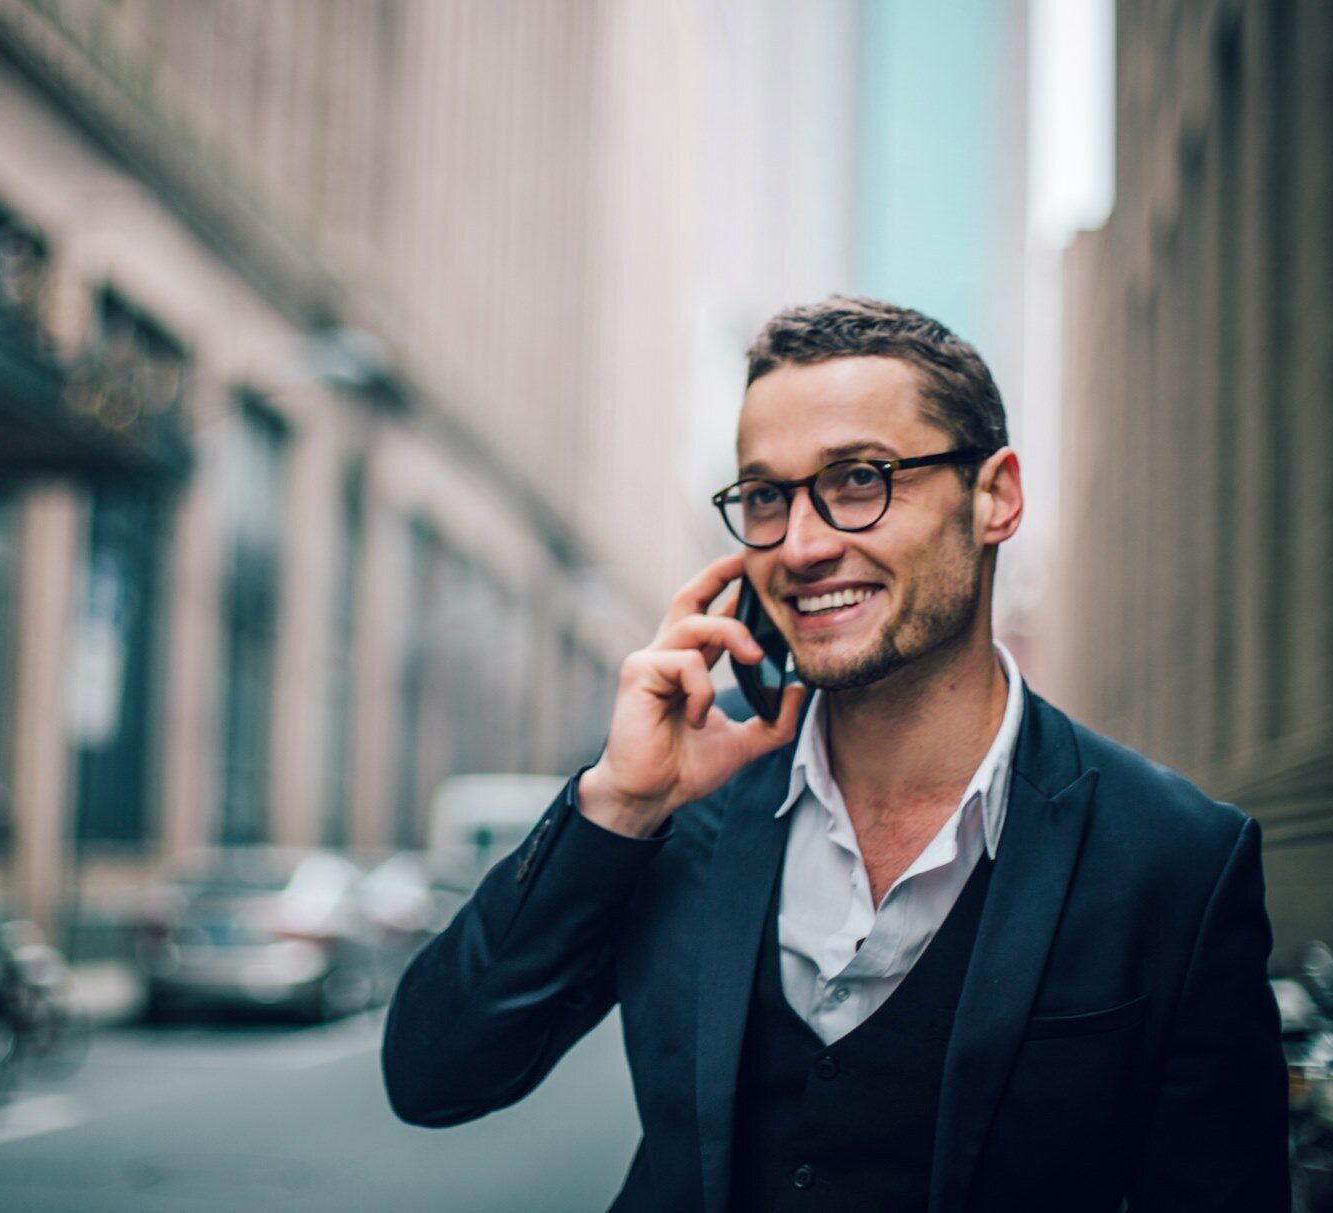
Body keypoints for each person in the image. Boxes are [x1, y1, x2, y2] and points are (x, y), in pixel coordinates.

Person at [380, 297, 1287, 1212]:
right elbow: (434, 1077)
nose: (804, 546)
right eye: (766, 497)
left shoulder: (1178, 859)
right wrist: (618, 801)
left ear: (995, 497)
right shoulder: (682, 802)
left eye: (859, 479)